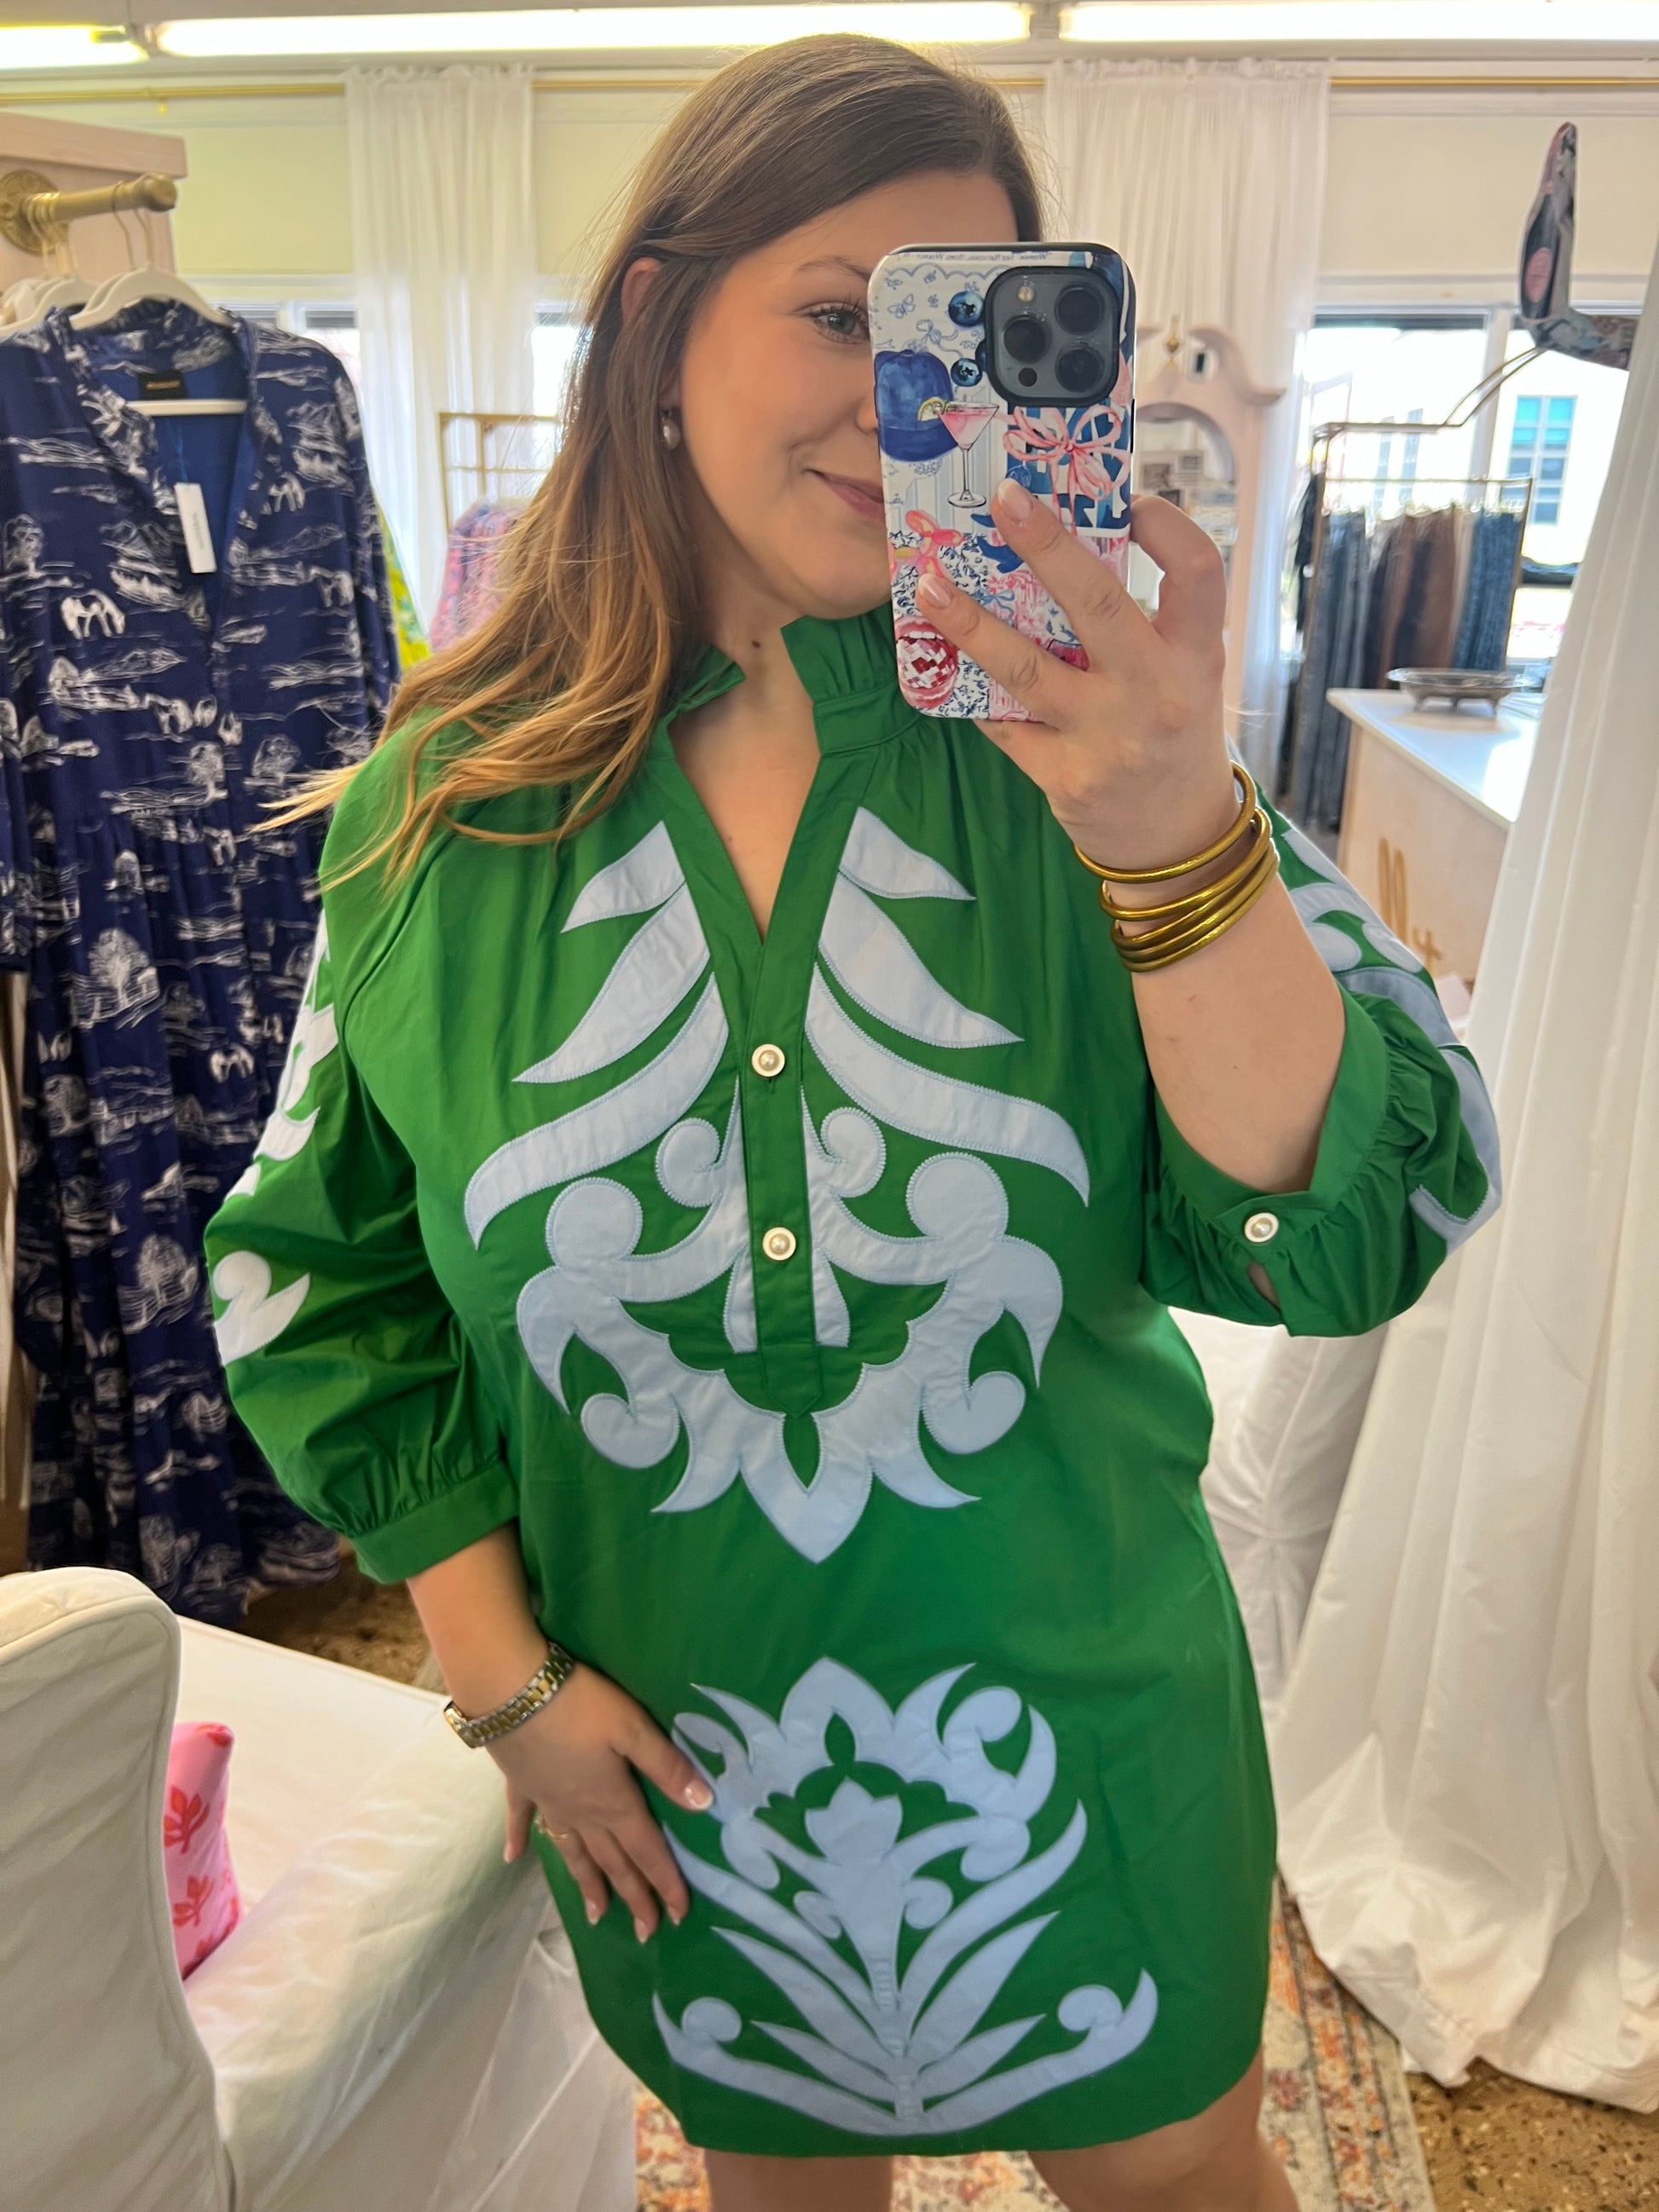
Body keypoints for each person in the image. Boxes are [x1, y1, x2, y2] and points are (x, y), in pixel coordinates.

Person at [205, 35, 1500, 2212]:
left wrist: (1174, 835)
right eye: (841, 315)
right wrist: (503, 1682)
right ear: (656, 328)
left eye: (960, 340)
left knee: (1179, 2174)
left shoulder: (1092, 762)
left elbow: (1354, 1226)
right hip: (680, 1756)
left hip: (1086, 1736)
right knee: (776, 2183)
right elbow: (314, 1274)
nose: (899, 409)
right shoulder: (445, 814)